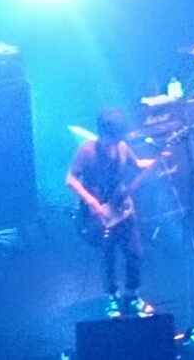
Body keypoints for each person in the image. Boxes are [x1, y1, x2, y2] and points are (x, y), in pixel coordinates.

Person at [66, 108, 156, 318]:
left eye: (117, 139)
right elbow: (71, 179)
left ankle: (133, 296)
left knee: (134, 252)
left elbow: (137, 164)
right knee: (108, 255)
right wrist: (91, 201)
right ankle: (111, 298)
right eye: (111, 139)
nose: (114, 143)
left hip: (124, 209)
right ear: (102, 133)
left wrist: (157, 160)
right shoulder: (87, 151)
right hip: (100, 213)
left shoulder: (122, 146)